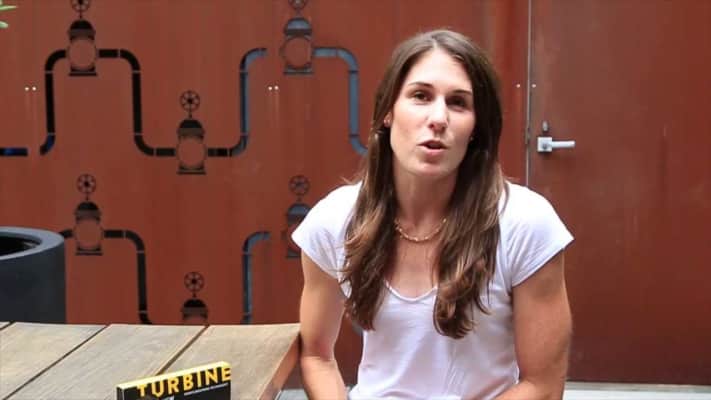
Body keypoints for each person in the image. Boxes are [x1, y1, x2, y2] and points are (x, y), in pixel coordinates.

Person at [292, 29, 573, 400]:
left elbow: (542, 385)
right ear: (388, 112)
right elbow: (316, 355)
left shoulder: (526, 224)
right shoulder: (333, 222)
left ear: (475, 128)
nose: (438, 117)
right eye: (420, 96)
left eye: (458, 103)